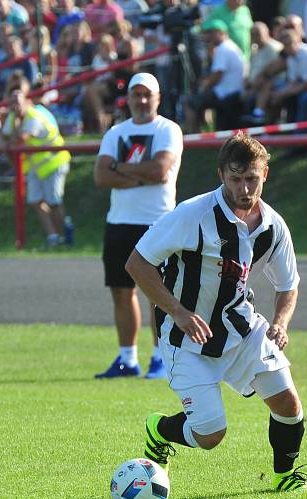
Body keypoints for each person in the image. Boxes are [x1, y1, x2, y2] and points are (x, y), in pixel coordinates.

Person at [124, 132, 307, 494]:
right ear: (221, 175)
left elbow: (288, 284)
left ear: (265, 174)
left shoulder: (273, 227)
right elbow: (137, 263)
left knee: (289, 404)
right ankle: (158, 430)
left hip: (242, 328)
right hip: (185, 336)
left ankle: (284, 477)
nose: (244, 188)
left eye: (252, 178)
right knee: (210, 435)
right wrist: (178, 311)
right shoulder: (192, 215)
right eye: (236, 178)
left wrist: (280, 322)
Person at [93, 73, 182, 380]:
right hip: (119, 222)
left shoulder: (168, 129)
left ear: (158, 98)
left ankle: (160, 357)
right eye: (136, 95)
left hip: (156, 222)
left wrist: (120, 168)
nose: (142, 101)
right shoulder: (116, 133)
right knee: (120, 291)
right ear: (128, 98)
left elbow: (159, 171)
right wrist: (137, 175)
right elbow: (101, 177)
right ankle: (127, 358)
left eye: (148, 95)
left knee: (158, 293)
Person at [1, 87, 71, 249]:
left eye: (17, 102)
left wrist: (11, 134)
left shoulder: (34, 116)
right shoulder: (13, 116)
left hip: (54, 162)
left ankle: (64, 238)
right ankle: (53, 237)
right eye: (12, 103)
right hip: (36, 166)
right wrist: (7, 140)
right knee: (35, 201)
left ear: (27, 101)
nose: (15, 107)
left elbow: (20, 140)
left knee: (54, 202)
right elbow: (4, 137)